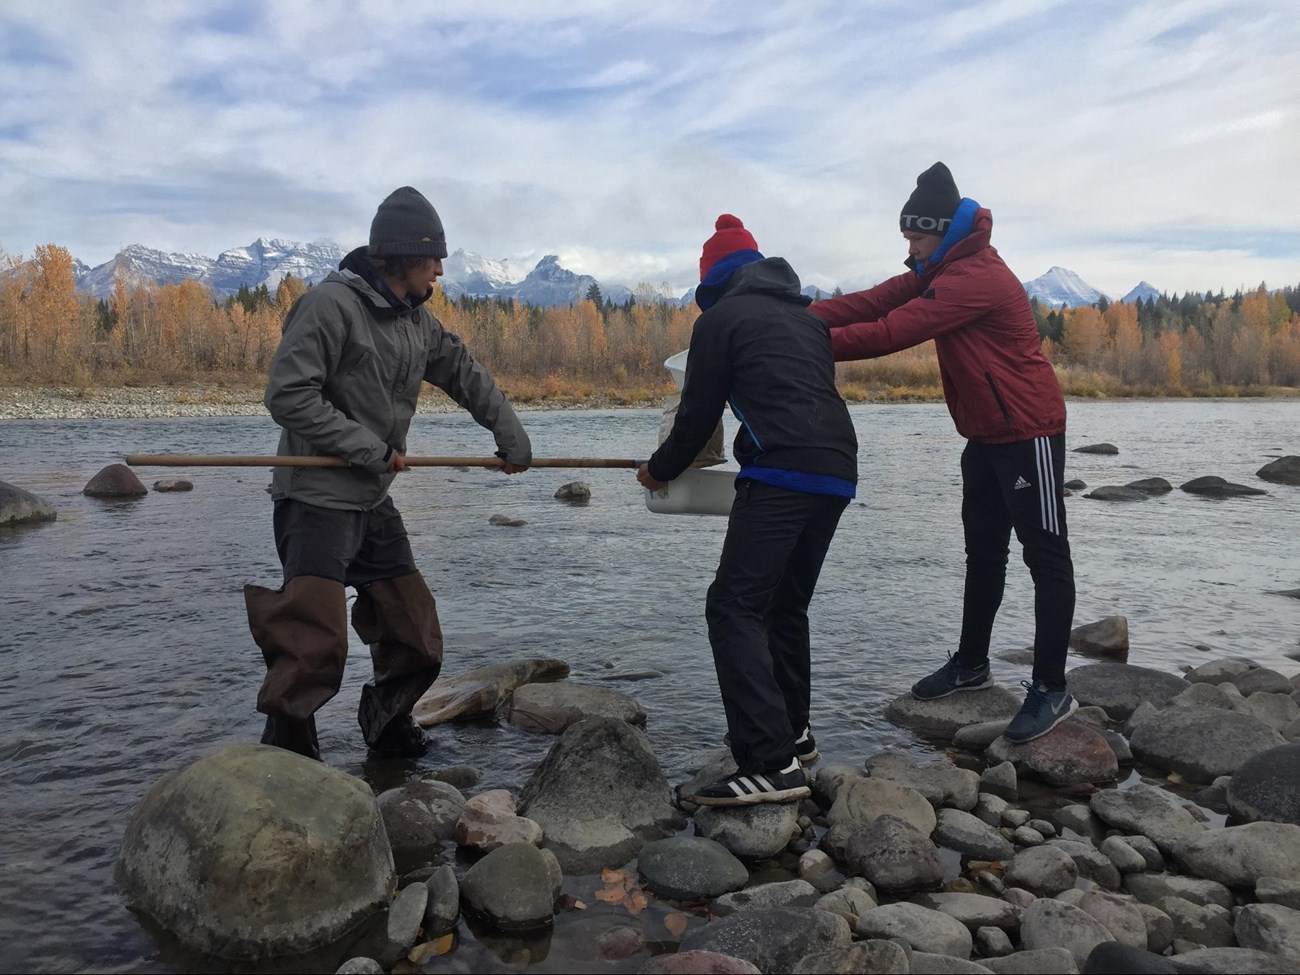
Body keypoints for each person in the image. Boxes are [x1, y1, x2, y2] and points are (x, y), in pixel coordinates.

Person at [245, 186, 532, 762]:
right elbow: (288, 395)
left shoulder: (417, 321)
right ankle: (287, 753)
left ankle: (387, 724)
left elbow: (464, 372)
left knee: (414, 631)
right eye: (435, 258)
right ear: (405, 256)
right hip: (316, 498)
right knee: (313, 643)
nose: (442, 269)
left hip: (372, 498)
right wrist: (366, 447)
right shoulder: (328, 306)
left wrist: (509, 433)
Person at [809, 162, 1075, 743]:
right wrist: (791, 316)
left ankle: (1052, 688)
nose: (907, 245)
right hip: (984, 433)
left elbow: (889, 332)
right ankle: (972, 665)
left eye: (914, 234)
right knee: (984, 554)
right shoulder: (941, 266)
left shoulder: (973, 277)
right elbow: (873, 302)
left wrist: (793, 342)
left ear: (940, 229)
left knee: (1046, 557)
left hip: (1028, 430)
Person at [638, 215, 858, 805]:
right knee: (786, 606)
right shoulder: (806, 320)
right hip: (837, 469)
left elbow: (697, 418)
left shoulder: (720, 321)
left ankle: (768, 762)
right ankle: (797, 736)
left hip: (781, 472)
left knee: (733, 607)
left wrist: (657, 471)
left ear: (712, 278)